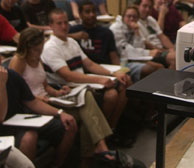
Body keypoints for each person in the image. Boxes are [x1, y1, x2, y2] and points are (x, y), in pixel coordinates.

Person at [10, 27, 132, 163]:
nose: (38, 53)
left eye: (40, 49)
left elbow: (45, 86)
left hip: (49, 98)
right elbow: (16, 93)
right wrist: (41, 98)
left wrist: (58, 92)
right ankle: (96, 150)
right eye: (35, 50)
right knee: (87, 110)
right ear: (27, 47)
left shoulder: (37, 59)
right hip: (34, 104)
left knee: (87, 105)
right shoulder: (19, 61)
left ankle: (87, 159)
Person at [0, 40, 77, 165]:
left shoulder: (12, 75)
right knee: (30, 137)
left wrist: (60, 112)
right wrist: (1, 84)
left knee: (69, 124)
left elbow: (32, 102)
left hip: (21, 120)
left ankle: (57, 164)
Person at [42, 9, 131, 130]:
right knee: (111, 95)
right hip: (69, 87)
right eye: (59, 23)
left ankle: (112, 128)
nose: (64, 26)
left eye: (65, 22)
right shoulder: (50, 47)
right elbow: (68, 76)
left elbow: (89, 65)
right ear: (50, 26)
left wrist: (113, 73)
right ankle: (104, 132)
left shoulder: (72, 42)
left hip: (82, 83)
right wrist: (99, 80)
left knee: (124, 82)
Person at [109, 6, 166, 81]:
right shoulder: (116, 29)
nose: (132, 19)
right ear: (123, 17)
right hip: (120, 61)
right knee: (153, 69)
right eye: (129, 16)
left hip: (132, 58)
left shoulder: (134, 27)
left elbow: (139, 47)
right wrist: (148, 53)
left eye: (134, 17)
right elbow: (125, 51)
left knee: (160, 67)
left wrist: (136, 32)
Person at [70, 1, 121, 65]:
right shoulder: (73, 30)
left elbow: (114, 57)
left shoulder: (106, 32)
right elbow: (55, 37)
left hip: (103, 66)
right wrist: (73, 36)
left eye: (94, 11)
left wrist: (119, 70)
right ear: (80, 14)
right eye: (87, 12)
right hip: (82, 68)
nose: (92, 15)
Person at [136, 0, 176, 68]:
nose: (147, 10)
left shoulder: (150, 19)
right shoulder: (135, 22)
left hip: (161, 49)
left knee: (179, 55)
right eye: (144, 6)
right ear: (137, 6)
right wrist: (165, 51)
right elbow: (146, 45)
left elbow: (162, 36)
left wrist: (172, 49)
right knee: (176, 58)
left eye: (150, 7)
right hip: (151, 52)